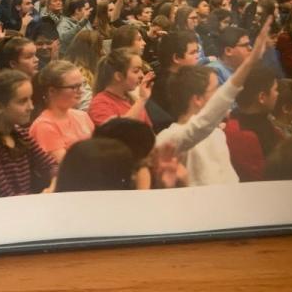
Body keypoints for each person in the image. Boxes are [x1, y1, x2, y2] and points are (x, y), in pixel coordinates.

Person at [156, 18, 273, 186]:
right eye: (215, 90)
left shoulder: (217, 132)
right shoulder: (170, 138)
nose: (219, 95)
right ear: (197, 99)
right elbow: (201, 125)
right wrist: (249, 62)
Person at [0, 70, 58, 199]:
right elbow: (5, 197)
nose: (31, 107)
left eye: (31, 99)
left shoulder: (19, 134)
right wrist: (44, 196)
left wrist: (52, 187)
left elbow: (51, 166)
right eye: (22, 101)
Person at [29, 61, 95, 163]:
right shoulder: (43, 126)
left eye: (81, 85)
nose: (81, 91)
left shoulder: (82, 116)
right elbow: (67, 166)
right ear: (52, 91)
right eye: (74, 87)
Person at [88, 48, 155, 128]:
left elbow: (149, 131)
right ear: (118, 76)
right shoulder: (99, 104)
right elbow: (119, 132)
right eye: (136, 71)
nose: (142, 75)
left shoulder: (131, 99)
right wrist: (142, 99)